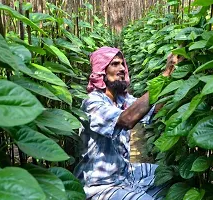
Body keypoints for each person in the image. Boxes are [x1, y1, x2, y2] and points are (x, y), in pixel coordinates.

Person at [74, 46, 180, 200]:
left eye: (122, 64)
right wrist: (166, 74)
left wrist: (176, 76)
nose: (122, 68)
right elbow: (127, 119)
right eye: (115, 64)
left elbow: (155, 109)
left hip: (124, 174)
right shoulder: (92, 103)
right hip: (100, 186)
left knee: (170, 176)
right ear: (101, 70)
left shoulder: (122, 99)